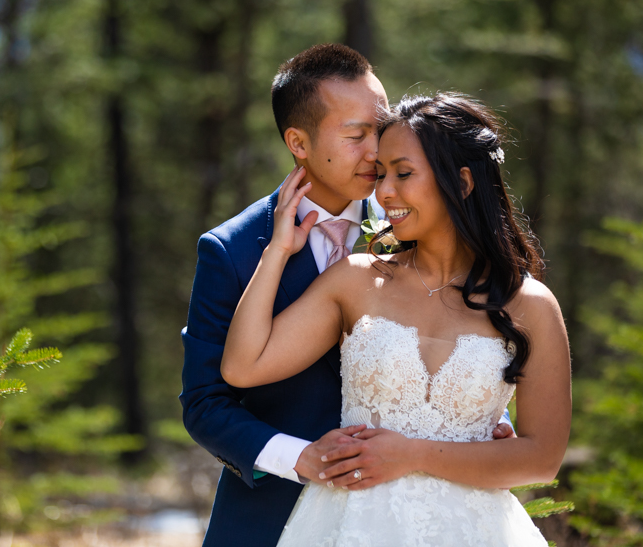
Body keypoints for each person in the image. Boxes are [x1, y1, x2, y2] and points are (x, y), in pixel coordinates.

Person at [180, 45, 513, 547]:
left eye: (379, 130)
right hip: (271, 518)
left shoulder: (415, 223)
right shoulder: (231, 250)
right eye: (356, 136)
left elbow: (454, 338)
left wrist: (484, 415)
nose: (376, 152)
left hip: (408, 518)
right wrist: (300, 456)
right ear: (299, 141)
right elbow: (205, 403)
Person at [221, 92, 571, 546]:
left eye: (403, 174)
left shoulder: (530, 305)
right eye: (381, 174)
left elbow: (542, 458)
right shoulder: (356, 280)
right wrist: (277, 251)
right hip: (349, 527)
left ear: (463, 182)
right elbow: (243, 367)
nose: (384, 192)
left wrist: (413, 455)